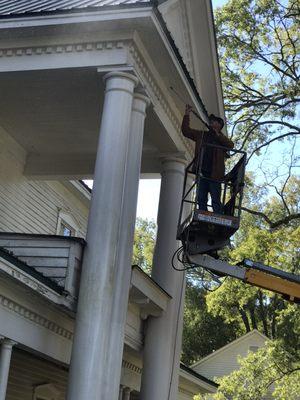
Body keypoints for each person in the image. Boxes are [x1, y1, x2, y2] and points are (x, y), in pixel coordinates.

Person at [181, 105, 234, 214]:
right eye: (211, 121)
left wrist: (218, 135)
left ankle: (218, 216)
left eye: (214, 121)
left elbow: (230, 145)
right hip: (202, 173)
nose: (211, 122)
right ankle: (202, 216)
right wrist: (187, 114)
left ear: (219, 125)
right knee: (201, 198)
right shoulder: (201, 135)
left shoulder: (220, 139)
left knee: (215, 199)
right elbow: (186, 131)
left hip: (215, 175)